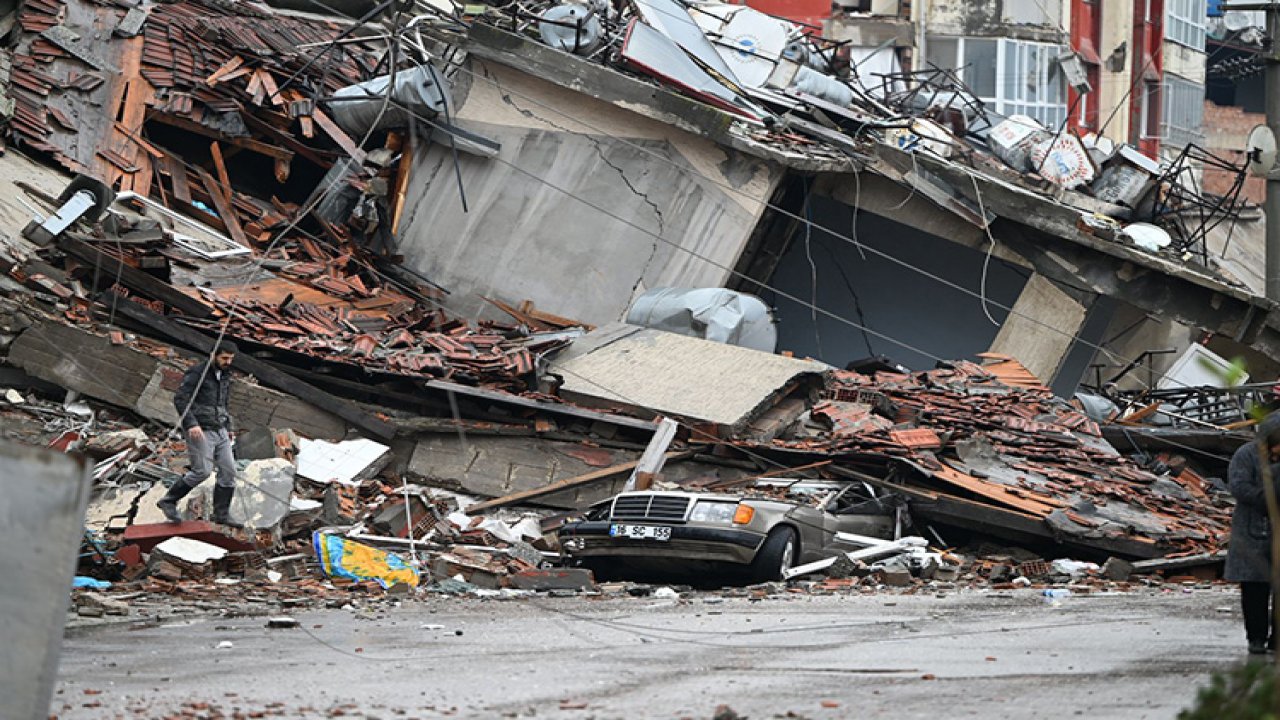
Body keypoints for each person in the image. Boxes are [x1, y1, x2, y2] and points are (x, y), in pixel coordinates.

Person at [156, 341, 242, 528]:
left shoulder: (226, 375)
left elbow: (223, 403)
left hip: (220, 428)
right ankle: (169, 500)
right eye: (224, 358)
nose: (228, 362)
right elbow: (180, 398)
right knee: (202, 471)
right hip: (200, 429)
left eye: (230, 359)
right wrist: (191, 424)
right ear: (213, 355)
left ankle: (221, 514)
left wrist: (228, 426)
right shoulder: (198, 373)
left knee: (229, 471)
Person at [1225, 412, 1280, 654]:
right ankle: (1256, 638)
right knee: (1254, 590)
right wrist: (1266, 498)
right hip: (1252, 530)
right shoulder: (1246, 455)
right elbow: (1239, 486)